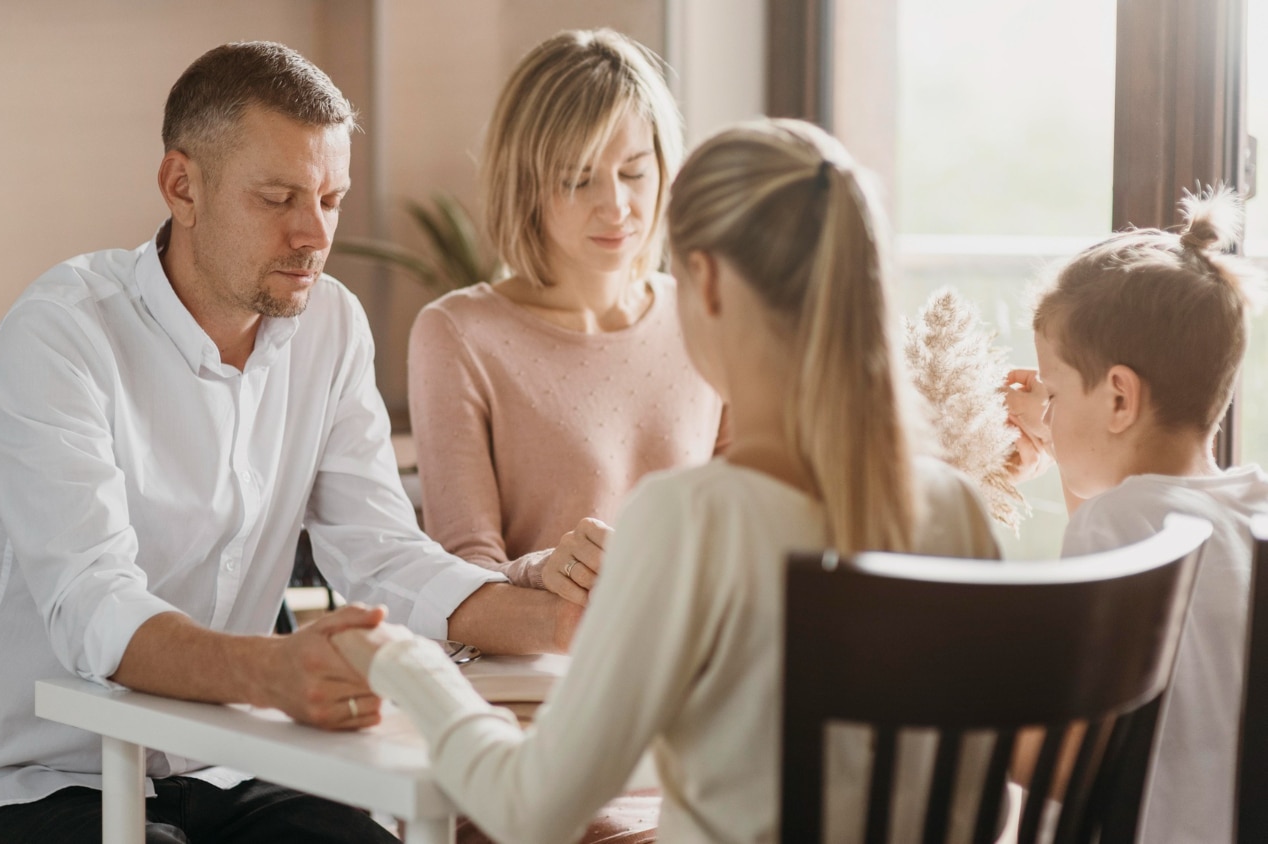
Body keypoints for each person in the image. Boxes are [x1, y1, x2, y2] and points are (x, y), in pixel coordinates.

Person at [0, 41, 580, 844]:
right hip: (24, 781)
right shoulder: (60, 334)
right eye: (278, 197)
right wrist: (274, 674)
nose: (313, 234)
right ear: (181, 185)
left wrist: (564, 624)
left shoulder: (331, 327)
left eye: (330, 199)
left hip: (226, 762)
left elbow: (382, 553)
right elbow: (95, 604)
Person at [331, 118, 1001, 843]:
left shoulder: (690, 519)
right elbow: (984, 802)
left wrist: (405, 665)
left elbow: (528, 810)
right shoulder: (954, 510)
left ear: (706, 281)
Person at [408, 28, 725, 608]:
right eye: (578, 178)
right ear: (525, 184)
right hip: (543, 672)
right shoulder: (458, 332)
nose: (616, 205)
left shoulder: (707, 312)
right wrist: (543, 569)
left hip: (697, 662)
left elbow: (743, 522)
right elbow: (462, 570)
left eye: (633, 172)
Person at [1004, 187, 1266, 844]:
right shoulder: (1249, 509)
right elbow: (1125, 518)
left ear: (1119, 396)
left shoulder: (1119, 526)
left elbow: (1069, 764)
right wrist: (1066, 434)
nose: (1048, 411)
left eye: (1055, 391)